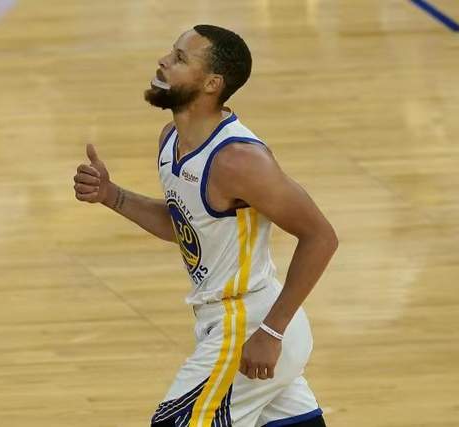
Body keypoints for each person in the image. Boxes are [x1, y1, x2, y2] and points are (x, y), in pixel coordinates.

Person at [73, 24, 338, 427]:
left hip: (252, 325)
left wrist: (271, 332)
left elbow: (320, 237)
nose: (164, 61)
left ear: (212, 83)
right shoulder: (171, 140)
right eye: (171, 52)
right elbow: (185, 226)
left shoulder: (240, 160)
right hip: (230, 322)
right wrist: (112, 196)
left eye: (180, 59)